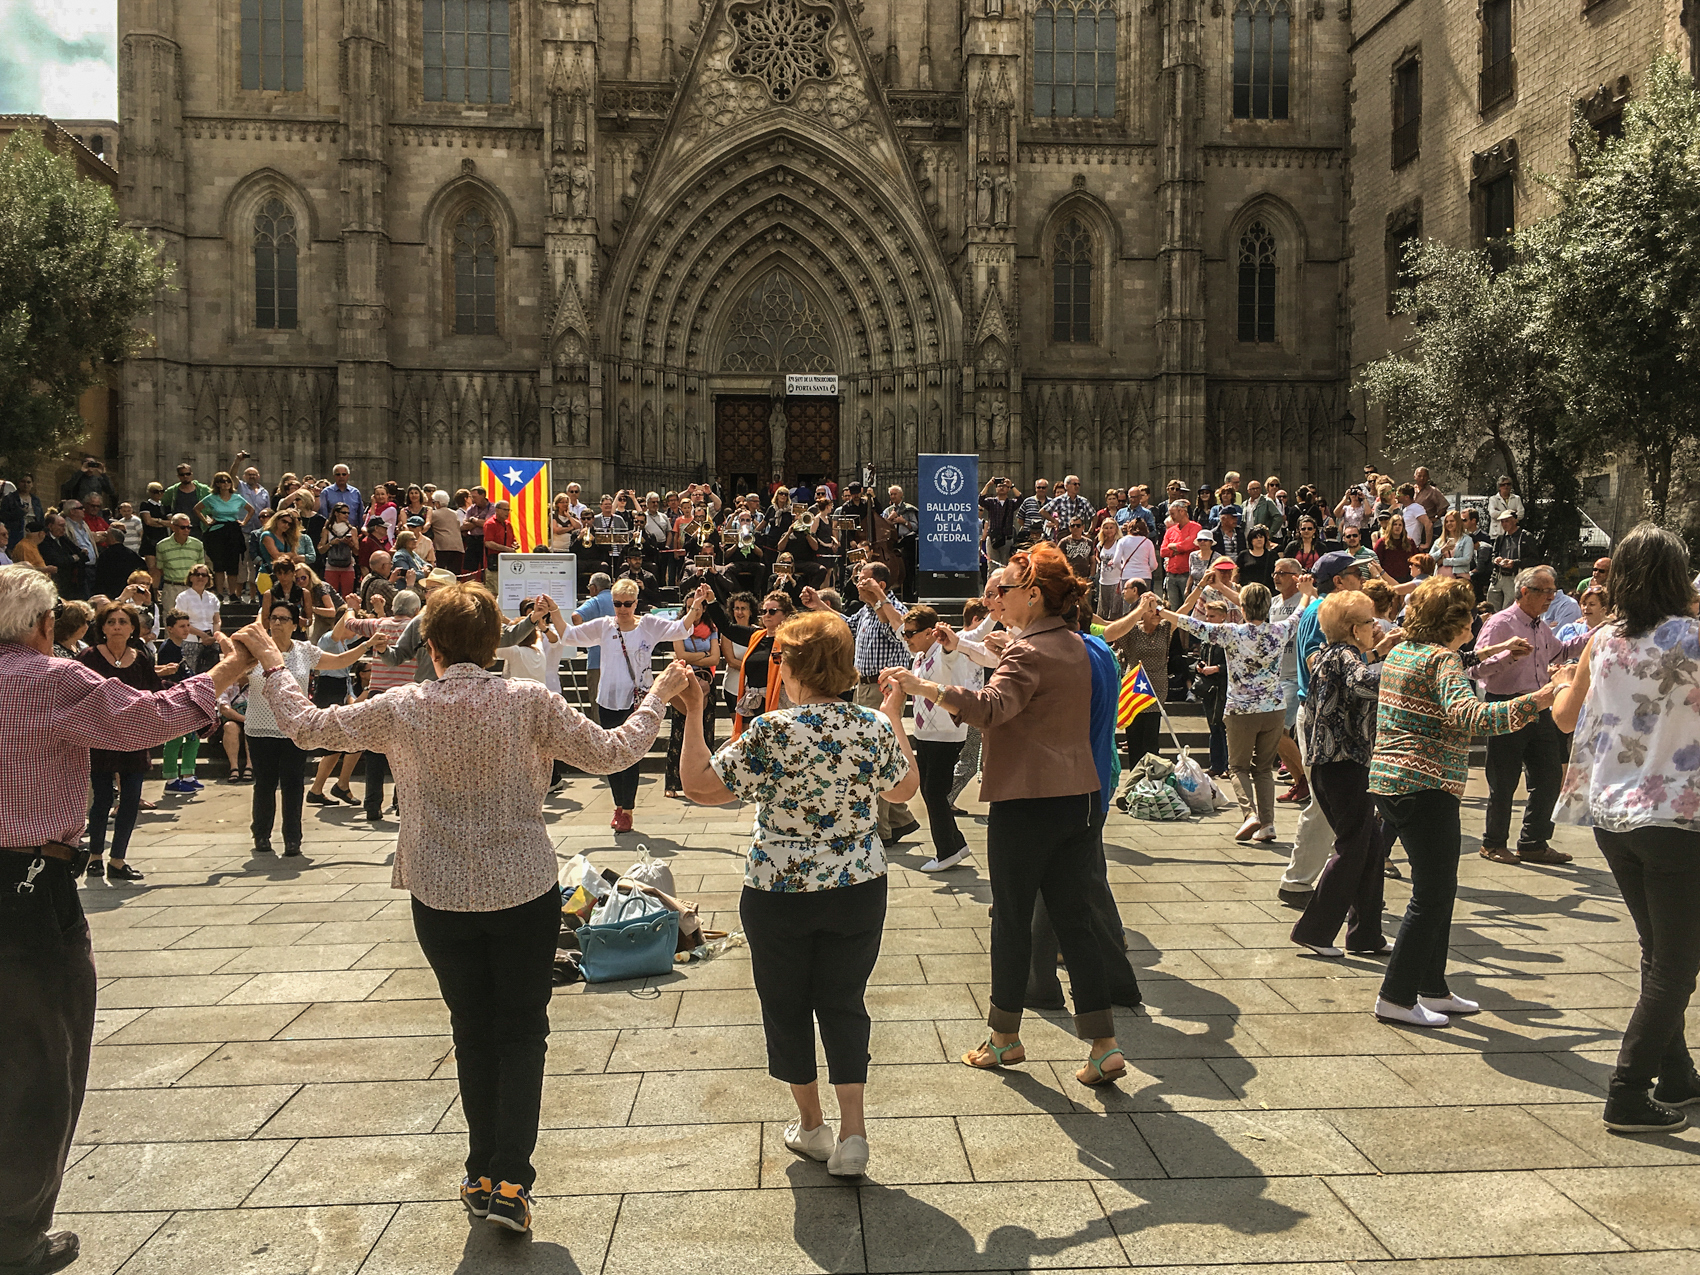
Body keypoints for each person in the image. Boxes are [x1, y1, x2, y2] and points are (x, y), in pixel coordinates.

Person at [234, 583, 687, 1231]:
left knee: (472, 1027)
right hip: (522, 889)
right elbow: (614, 751)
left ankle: (481, 1169)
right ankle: (510, 1178)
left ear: (434, 645)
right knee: (523, 1029)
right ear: (494, 642)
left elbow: (306, 728)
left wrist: (273, 665)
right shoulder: (527, 701)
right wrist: (658, 696)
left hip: (439, 894)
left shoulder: (404, 705)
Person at [0, 565, 255, 1275]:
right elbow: (152, 716)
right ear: (45, 625)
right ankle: (15, 1236)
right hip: (26, 886)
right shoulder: (50, 679)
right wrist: (233, 663)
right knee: (39, 1062)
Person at [669, 608, 916, 1178]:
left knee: (785, 1004)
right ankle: (854, 1134)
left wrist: (695, 713)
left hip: (778, 887)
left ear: (796, 667)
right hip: (857, 883)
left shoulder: (772, 731)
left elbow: (701, 788)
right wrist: (892, 716)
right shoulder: (868, 727)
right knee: (844, 1000)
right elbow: (904, 784)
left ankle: (813, 1127)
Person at [888, 545, 1127, 1088]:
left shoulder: (1029, 651)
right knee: (1075, 920)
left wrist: (925, 687)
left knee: (1013, 919)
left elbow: (992, 708)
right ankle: (1103, 1043)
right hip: (1079, 795)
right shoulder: (1076, 645)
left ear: (1034, 594)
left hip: (1027, 802)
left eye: (1010, 590)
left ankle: (1004, 1038)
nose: (1000, 599)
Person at [1552, 524, 1700, 1132]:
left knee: (1659, 950)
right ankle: (1627, 1092)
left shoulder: (1601, 639)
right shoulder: (1692, 638)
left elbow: (1564, 718)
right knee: (1677, 962)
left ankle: (1678, 1075)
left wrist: (1566, 683)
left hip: (1614, 814)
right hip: (1679, 816)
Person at [1368, 577, 1559, 1027]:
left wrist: (1494, 653)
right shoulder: (1441, 660)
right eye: (1469, 612)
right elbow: (1473, 716)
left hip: (1392, 781)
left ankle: (1432, 988)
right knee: (1431, 895)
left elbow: (1451, 670)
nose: (1475, 618)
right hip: (1426, 785)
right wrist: (1539, 700)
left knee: (1440, 890)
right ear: (1453, 620)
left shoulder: (1403, 652)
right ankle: (1395, 997)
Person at [1151, 579, 1305, 841]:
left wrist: (1161, 611)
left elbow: (1194, 625)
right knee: (1263, 768)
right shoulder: (1280, 630)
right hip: (1273, 708)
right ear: (1268, 606)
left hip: (1240, 709)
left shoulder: (1231, 632)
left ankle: (1250, 814)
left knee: (1238, 767)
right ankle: (1268, 824)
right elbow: (1299, 613)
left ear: (1242, 609)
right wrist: (1307, 592)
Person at [1289, 590, 1397, 957]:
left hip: (1336, 765)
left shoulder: (1334, 654)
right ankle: (1316, 930)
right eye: (1370, 622)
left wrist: (1380, 652)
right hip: (1343, 765)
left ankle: (1366, 935)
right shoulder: (1346, 657)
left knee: (1370, 846)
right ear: (1354, 628)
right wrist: (1397, 666)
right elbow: (1365, 684)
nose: (1375, 627)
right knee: (1354, 847)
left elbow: (1358, 671)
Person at [553, 581, 708, 831]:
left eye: (627, 603)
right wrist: (553, 613)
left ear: (636, 603)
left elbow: (680, 629)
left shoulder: (647, 624)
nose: (622, 609)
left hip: (636, 699)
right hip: (609, 699)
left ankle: (627, 808)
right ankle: (618, 803)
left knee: (630, 756)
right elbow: (570, 636)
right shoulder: (605, 625)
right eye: (617, 604)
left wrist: (696, 607)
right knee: (609, 754)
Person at [1470, 566, 1590, 866]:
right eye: (1545, 591)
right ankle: (1493, 843)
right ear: (1525, 592)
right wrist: (1507, 655)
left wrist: (1598, 634)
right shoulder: (1501, 623)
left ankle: (1533, 842)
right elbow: (1474, 668)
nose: (1552, 597)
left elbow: (1560, 653)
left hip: (1539, 707)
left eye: (1553, 590)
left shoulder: (1540, 625)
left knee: (1549, 776)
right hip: (1508, 706)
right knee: (1504, 780)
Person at [244, 599, 381, 856]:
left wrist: (367, 645)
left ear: (295, 624)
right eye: (273, 618)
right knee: (264, 783)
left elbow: (340, 661)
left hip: (296, 728)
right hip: (260, 728)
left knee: (294, 783)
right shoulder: (254, 652)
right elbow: (232, 673)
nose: (277, 623)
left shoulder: (303, 651)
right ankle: (261, 834)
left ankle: (292, 839)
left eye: (283, 619)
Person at [77, 602, 167, 884]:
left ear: (132, 628)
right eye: (111, 622)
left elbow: (154, 693)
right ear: (102, 627)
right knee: (102, 798)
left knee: (130, 799)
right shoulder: (88, 657)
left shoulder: (140, 658)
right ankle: (94, 857)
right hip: (100, 737)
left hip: (133, 738)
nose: (117, 626)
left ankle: (118, 860)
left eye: (123, 622)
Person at [896, 605, 977, 872]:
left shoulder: (944, 655)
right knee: (930, 790)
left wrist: (948, 643)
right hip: (926, 733)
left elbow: (950, 655)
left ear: (930, 633)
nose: (906, 638)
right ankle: (955, 843)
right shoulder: (918, 658)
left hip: (946, 734)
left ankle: (947, 851)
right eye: (904, 634)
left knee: (934, 791)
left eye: (911, 633)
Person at [195, 471, 254, 602]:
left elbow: (251, 509)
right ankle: (220, 592)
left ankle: (232, 593)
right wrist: (206, 521)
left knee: (233, 564)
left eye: (228, 481)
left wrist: (244, 522)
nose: (225, 483)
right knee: (219, 564)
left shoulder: (237, 497)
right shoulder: (211, 497)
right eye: (222, 481)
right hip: (217, 530)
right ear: (217, 484)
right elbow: (197, 509)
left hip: (233, 530)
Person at [319, 501, 359, 597]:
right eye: (344, 512)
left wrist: (350, 544)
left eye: (348, 513)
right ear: (336, 513)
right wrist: (331, 544)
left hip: (347, 566)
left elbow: (357, 552)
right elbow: (320, 549)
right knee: (332, 596)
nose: (347, 515)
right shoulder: (327, 530)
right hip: (331, 566)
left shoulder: (352, 530)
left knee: (347, 595)